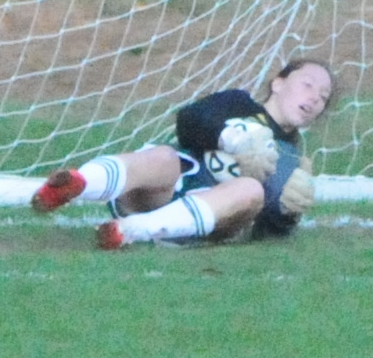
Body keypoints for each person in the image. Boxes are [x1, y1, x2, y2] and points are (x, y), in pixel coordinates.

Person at [32, 59, 334, 248]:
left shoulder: (293, 160)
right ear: (278, 83)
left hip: (204, 222)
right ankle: (79, 183)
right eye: (307, 85)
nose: (313, 98)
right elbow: (189, 121)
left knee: (250, 190)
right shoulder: (238, 103)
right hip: (156, 193)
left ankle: (131, 232)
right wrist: (232, 139)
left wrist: (288, 213)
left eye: (323, 97)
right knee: (164, 157)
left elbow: (266, 232)